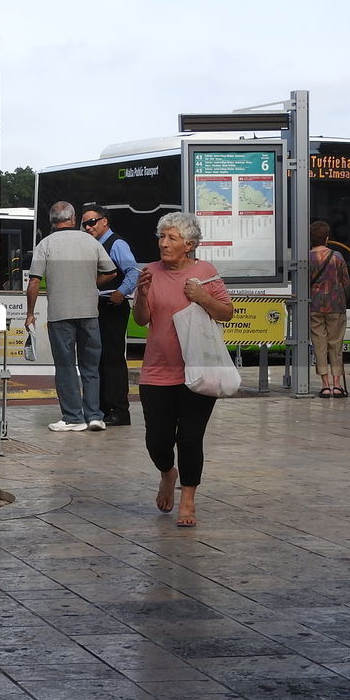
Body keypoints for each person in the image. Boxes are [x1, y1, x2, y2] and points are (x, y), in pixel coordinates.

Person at [134, 212, 233, 528]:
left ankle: (188, 500)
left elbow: (226, 313)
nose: (163, 243)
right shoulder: (150, 272)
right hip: (156, 372)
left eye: (171, 238)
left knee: (190, 438)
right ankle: (167, 473)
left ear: (189, 244)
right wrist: (142, 294)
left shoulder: (205, 273)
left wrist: (202, 297)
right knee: (157, 441)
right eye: (161, 237)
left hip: (199, 372)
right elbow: (140, 320)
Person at [25, 201, 117, 432]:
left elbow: (34, 281)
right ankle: (95, 416)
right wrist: (89, 284)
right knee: (90, 367)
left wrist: (29, 313)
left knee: (65, 367)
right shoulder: (90, 241)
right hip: (89, 313)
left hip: (60, 315)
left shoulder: (44, 244)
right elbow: (111, 271)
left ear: (51, 221)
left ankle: (73, 417)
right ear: (74, 219)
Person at [80, 204, 139, 426]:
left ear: (105, 221)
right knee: (99, 357)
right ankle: (103, 407)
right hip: (96, 305)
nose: (88, 227)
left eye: (92, 222)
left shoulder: (116, 244)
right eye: (84, 223)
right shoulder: (93, 245)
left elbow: (133, 271)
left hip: (111, 305)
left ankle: (119, 410)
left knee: (112, 358)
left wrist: (121, 292)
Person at [307, 220, 350, 398]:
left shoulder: (306, 258)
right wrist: (343, 298)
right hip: (336, 305)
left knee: (319, 344)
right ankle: (337, 385)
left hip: (314, 305)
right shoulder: (337, 256)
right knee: (336, 344)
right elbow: (346, 283)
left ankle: (325, 385)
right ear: (326, 238)